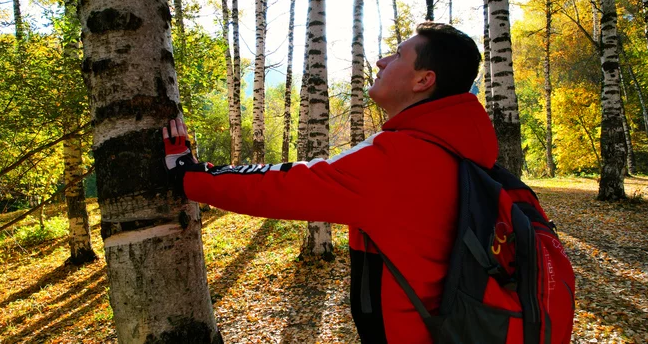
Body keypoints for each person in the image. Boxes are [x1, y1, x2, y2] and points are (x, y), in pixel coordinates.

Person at [163, 22, 495, 343]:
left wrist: (190, 174)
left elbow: (288, 185)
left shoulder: (402, 158)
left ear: (424, 80)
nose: (381, 62)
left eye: (397, 55)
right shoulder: (463, 147)